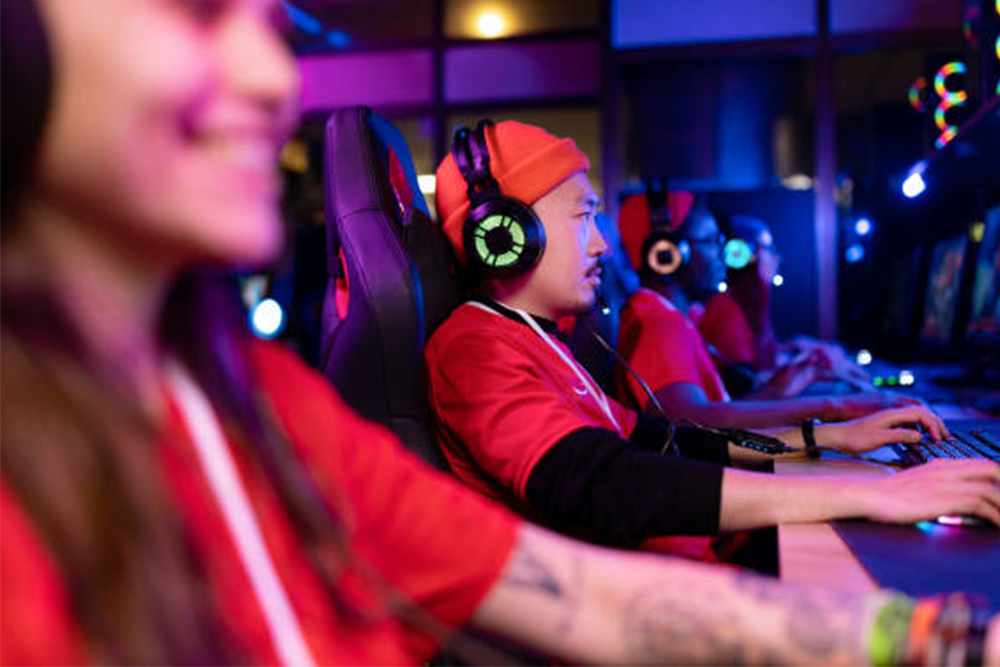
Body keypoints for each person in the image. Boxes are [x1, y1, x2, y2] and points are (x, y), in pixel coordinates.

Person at [3, 1, 1000, 665]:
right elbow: (601, 486)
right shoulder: (475, 348)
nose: (275, 76)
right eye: (195, 12)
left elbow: (587, 594)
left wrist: (946, 637)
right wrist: (859, 477)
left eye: (271, 25)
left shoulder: (262, 408)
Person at [425, 119, 1000, 554]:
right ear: (502, 236)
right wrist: (873, 493)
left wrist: (828, 436)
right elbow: (607, 482)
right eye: (583, 217)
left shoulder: (545, 343)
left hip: (682, 576)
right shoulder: (474, 350)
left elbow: (671, 440)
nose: (601, 244)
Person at [614, 191, 914, 429]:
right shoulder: (657, 325)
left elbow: (720, 408)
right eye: (711, 241)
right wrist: (836, 407)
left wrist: (781, 387)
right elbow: (690, 423)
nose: (723, 254)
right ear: (665, 255)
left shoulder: (676, 318)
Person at [700, 214, 870, 397]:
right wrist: (816, 370)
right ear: (743, 254)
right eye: (769, 249)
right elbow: (745, 385)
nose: (777, 258)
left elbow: (759, 361)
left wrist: (795, 345)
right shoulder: (727, 308)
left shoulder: (746, 304)